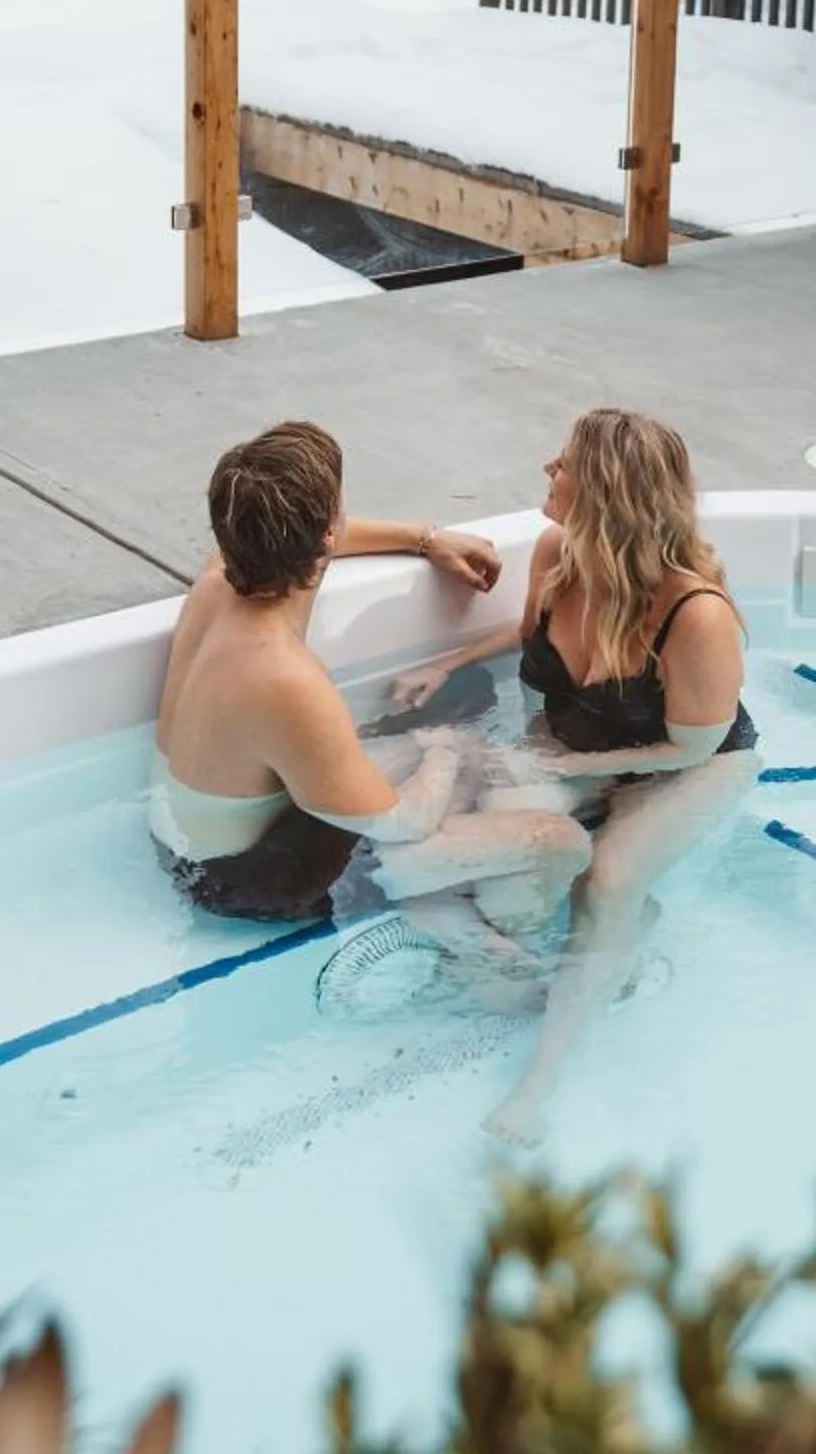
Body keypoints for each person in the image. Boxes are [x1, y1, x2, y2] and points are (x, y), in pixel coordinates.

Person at [386, 407, 759, 1144]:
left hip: (690, 764)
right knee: (485, 846)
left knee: (608, 882)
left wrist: (579, 766)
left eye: (564, 464)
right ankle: (591, 956)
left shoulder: (696, 614)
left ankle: (537, 1087)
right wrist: (446, 663)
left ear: (606, 492)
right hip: (579, 745)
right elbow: (531, 638)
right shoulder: (557, 552)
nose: (547, 470)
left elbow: (689, 747)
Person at [153, 422, 592, 967]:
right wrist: (445, 747)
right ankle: (476, 951)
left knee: (463, 747)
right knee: (559, 839)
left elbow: (326, 533)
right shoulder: (285, 677)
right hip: (248, 883)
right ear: (326, 532)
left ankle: (438, 905)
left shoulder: (222, 573)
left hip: (189, 843)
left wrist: (426, 540)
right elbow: (404, 819)